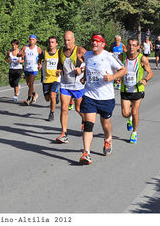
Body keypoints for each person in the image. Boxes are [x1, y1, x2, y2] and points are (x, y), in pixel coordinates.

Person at [79, 33, 127, 164]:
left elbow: (123, 70)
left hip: (106, 97)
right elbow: (88, 68)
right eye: (93, 41)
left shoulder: (109, 56)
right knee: (88, 124)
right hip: (90, 95)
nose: (94, 43)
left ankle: (108, 138)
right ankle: (86, 153)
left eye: (97, 41)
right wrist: (85, 77)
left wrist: (112, 77)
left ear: (102, 43)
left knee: (105, 124)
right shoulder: (87, 55)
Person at [120, 38, 153, 144]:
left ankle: (134, 132)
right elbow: (115, 67)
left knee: (134, 112)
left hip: (138, 89)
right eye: (130, 45)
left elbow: (150, 72)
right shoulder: (122, 56)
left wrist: (145, 79)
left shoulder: (142, 58)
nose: (132, 47)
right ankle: (128, 119)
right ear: (127, 46)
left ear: (138, 47)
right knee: (125, 113)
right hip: (125, 89)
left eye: (134, 45)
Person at [56, 31, 86, 143]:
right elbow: (60, 62)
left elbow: (91, 62)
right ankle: (64, 133)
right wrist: (59, 69)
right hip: (65, 84)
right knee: (64, 108)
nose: (67, 42)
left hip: (78, 85)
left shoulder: (80, 50)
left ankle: (85, 120)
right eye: (65, 40)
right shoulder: (61, 50)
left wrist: (81, 69)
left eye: (69, 40)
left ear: (73, 39)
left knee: (78, 109)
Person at [38, 36, 60, 121]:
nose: (51, 44)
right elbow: (39, 59)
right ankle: (56, 95)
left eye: (53, 42)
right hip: (46, 78)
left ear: (56, 44)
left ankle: (52, 113)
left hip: (56, 78)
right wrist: (39, 64)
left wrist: (60, 70)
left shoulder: (59, 53)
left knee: (52, 95)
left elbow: (62, 62)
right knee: (47, 99)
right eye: (50, 42)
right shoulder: (44, 52)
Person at [18, 35, 42, 105]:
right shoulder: (25, 47)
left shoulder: (38, 48)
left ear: (35, 41)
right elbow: (18, 54)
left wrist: (40, 63)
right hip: (26, 68)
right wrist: (21, 54)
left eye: (33, 39)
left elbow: (41, 56)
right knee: (28, 84)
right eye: (30, 39)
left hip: (34, 68)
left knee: (31, 83)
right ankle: (34, 94)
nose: (31, 41)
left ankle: (28, 99)